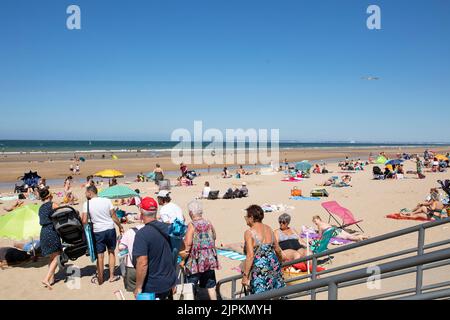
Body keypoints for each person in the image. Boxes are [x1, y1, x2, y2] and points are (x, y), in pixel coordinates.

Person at [133, 197, 177, 300]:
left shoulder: (142, 234)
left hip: (153, 285)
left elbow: (142, 263)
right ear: (155, 212)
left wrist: (138, 287)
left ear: (141, 213)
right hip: (169, 280)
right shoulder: (168, 227)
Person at [82, 185, 124, 285]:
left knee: (100, 255)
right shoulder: (107, 200)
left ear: (90, 193)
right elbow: (113, 216)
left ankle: (100, 279)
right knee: (111, 252)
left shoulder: (87, 203)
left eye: (86, 193)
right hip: (110, 229)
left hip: (98, 231)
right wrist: (120, 226)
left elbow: (84, 220)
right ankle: (112, 276)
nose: (85, 194)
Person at [241, 205, 285, 295]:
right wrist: (280, 264)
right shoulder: (269, 229)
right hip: (273, 265)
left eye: (247, 216)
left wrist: (245, 276)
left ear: (252, 217)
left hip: (260, 268)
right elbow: (278, 250)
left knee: (260, 295)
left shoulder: (249, 232)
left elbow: (250, 256)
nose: (246, 219)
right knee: (276, 294)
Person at [182, 200, 219, 300]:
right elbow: (214, 236)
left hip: (196, 260)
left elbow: (188, 243)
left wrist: (183, 256)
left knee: (190, 285)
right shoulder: (208, 222)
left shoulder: (192, 225)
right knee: (210, 286)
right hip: (210, 259)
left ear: (190, 213)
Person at [118, 199, 152, 292]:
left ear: (141, 217)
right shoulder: (152, 230)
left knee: (136, 292)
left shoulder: (129, 232)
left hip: (131, 266)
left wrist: (122, 238)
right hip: (149, 266)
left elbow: (121, 248)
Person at [38, 188, 61, 289]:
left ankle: (52, 278)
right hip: (51, 231)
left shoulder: (40, 208)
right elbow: (62, 212)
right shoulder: (52, 204)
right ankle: (46, 278)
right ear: (49, 195)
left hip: (43, 232)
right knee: (57, 256)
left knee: (51, 257)